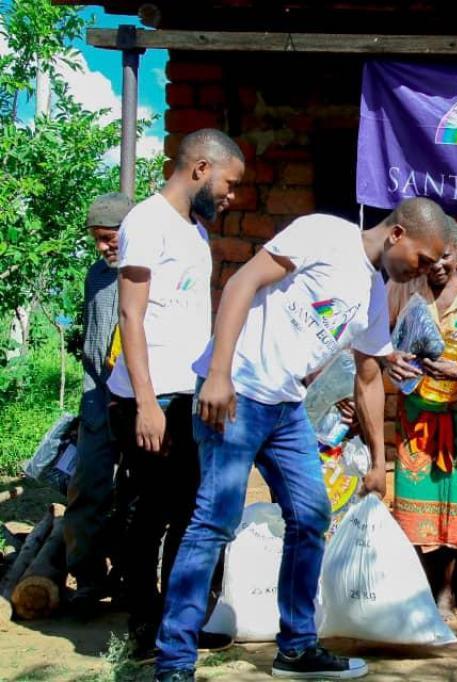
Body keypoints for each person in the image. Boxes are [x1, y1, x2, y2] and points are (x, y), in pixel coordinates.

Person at [153, 198, 449, 682]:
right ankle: (174, 662)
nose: (422, 270)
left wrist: (379, 460)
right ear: (397, 234)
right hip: (239, 393)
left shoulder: (374, 292)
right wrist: (220, 374)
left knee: (311, 515)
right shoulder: (323, 234)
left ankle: (296, 647)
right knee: (214, 520)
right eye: (421, 258)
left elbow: (370, 377)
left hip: (286, 408)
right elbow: (241, 282)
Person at [107, 129, 244, 658]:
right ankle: (144, 626)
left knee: (191, 511)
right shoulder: (145, 221)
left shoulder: (195, 232)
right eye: (229, 184)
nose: (231, 197)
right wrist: (144, 403)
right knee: (149, 515)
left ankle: (177, 623)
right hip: (152, 398)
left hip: (187, 395)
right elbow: (130, 316)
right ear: (201, 169)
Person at [385, 217, 457, 619]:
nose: (436, 266)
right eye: (430, 258)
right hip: (416, 414)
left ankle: (446, 593)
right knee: (413, 500)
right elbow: (378, 338)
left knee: (454, 505)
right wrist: (393, 362)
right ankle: (416, 589)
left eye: (445, 257)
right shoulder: (403, 287)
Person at [64, 192, 133, 616]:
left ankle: (127, 578)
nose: (103, 248)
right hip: (98, 397)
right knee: (87, 486)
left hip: (141, 400)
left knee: (134, 493)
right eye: (97, 240)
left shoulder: (150, 271)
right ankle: (87, 578)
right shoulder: (96, 275)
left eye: (109, 238)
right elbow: (92, 344)